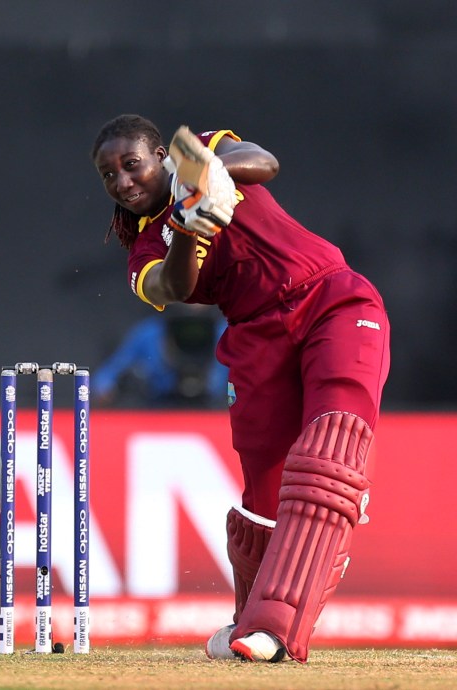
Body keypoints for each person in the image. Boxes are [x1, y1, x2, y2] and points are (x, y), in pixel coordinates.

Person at [90, 115, 390, 663]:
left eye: (131, 165)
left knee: (330, 447)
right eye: (109, 176)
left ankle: (277, 628)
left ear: (159, 154)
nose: (123, 182)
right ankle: (251, 619)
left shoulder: (199, 150)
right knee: (263, 497)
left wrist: (207, 176)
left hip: (331, 299)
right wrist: (186, 222)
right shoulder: (141, 244)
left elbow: (264, 161)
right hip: (254, 337)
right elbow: (174, 285)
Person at [93, 303, 228, 408]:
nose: (194, 300)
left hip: (214, 413)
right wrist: (112, 388)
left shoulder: (226, 334)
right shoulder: (149, 332)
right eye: (188, 288)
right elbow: (107, 376)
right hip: (159, 412)